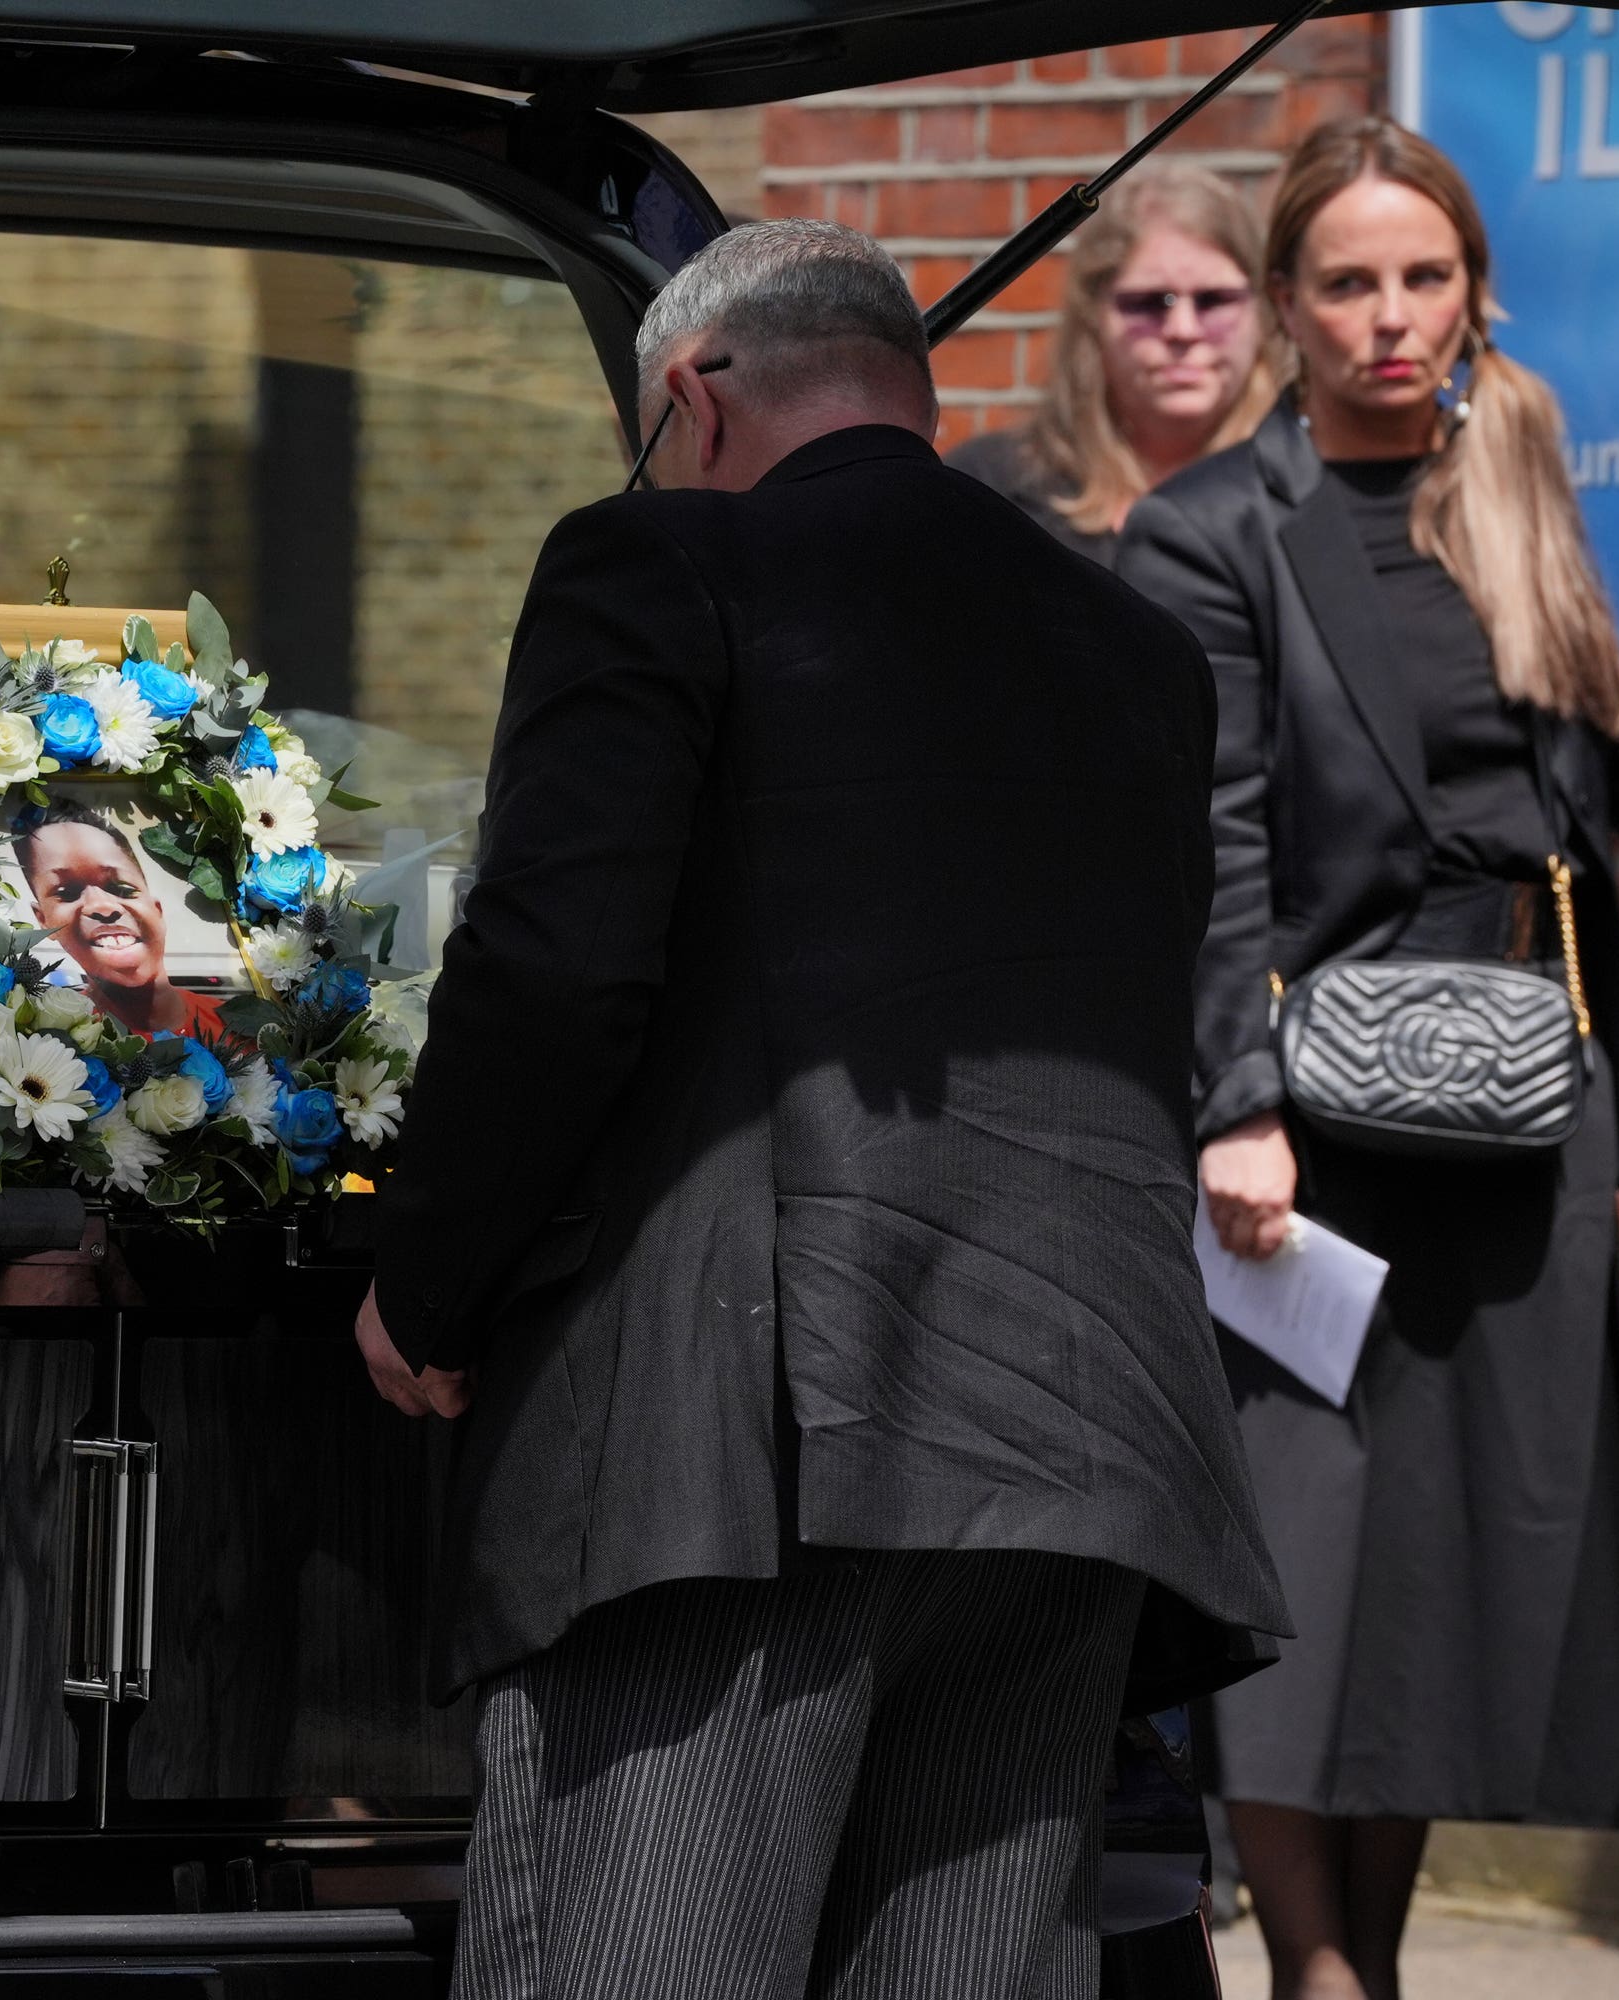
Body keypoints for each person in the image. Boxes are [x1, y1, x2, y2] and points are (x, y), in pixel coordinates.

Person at [354, 218, 1287, 1998]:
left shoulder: (661, 565)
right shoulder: (1134, 644)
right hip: (1078, 1455)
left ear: (692, 400)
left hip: (744, 1454)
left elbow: (556, 967)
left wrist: (432, 1282)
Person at [1119, 118, 1619, 2000]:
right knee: (1307, 1559)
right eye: (1348, 280)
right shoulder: (1210, 534)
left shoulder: (1511, 491)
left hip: (1524, 1113)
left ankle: (1378, 1968)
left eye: (1425, 278)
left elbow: (1566, 818)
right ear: (1285, 306)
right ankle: (1320, 1973)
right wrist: (1235, 1108)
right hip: (1314, 1125)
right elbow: (1214, 844)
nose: (1392, 317)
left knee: (1450, 1575)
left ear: (1473, 291)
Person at [949, 162, 1277, 565]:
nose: (1183, 330)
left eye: (1213, 300)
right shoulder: (988, 490)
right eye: (1148, 302)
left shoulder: (1313, 490)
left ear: (1264, 312)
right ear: (1093, 318)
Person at [10, 801, 233, 1042]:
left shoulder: (237, 1028)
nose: (102, 906)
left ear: (157, 909)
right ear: (43, 920)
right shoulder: (54, 1050)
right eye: (67, 893)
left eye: (122, 889)